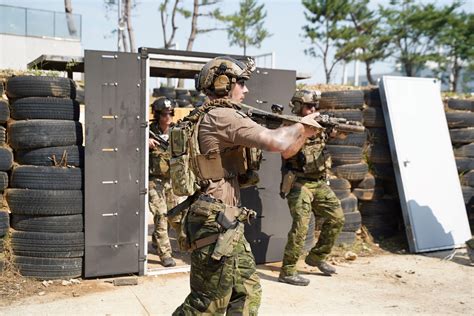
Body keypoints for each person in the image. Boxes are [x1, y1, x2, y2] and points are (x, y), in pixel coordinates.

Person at [172, 57, 322, 315]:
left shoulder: (215, 114)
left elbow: (287, 152)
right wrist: (300, 126)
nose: (246, 89)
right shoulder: (223, 116)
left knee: (246, 291)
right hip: (214, 221)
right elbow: (278, 143)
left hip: (226, 220)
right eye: (241, 82)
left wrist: (302, 133)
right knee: (207, 303)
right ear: (223, 84)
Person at [278, 89, 345, 286]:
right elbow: (287, 154)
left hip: (319, 183)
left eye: (315, 106)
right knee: (301, 227)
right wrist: (305, 133)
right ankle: (288, 271)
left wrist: (336, 127)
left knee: (337, 219)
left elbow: (340, 136)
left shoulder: (319, 125)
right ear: (298, 107)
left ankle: (316, 257)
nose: (313, 109)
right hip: (299, 183)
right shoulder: (289, 126)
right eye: (309, 106)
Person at [148, 97, 182, 267]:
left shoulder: (177, 131)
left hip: (171, 180)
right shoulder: (147, 131)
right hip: (154, 180)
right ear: (157, 114)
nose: (167, 117)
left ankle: (157, 241)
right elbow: (130, 144)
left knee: (175, 216)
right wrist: (145, 142)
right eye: (164, 114)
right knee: (161, 215)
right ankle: (165, 254)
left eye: (170, 114)